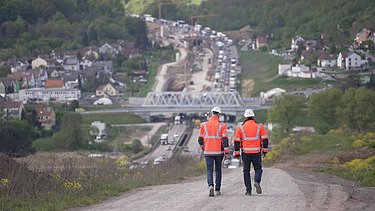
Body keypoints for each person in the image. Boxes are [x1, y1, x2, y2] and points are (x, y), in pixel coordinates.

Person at [233, 109, 269, 195]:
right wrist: (264, 151)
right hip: (256, 152)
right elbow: (265, 140)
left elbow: (236, 141)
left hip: (245, 153)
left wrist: (237, 153)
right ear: (253, 116)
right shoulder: (260, 126)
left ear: (245, 117)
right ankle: (257, 181)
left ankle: (248, 190)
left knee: (246, 171)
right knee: (258, 169)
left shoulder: (240, 127)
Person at [198, 106, 230, 197]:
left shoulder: (203, 125)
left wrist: (203, 147)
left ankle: (210, 185)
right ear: (219, 114)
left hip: (208, 151)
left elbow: (200, 139)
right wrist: (227, 152)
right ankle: (217, 189)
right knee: (218, 170)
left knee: (209, 170)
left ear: (211, 113)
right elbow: (225, 140)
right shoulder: (222, 125)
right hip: (219, 152)